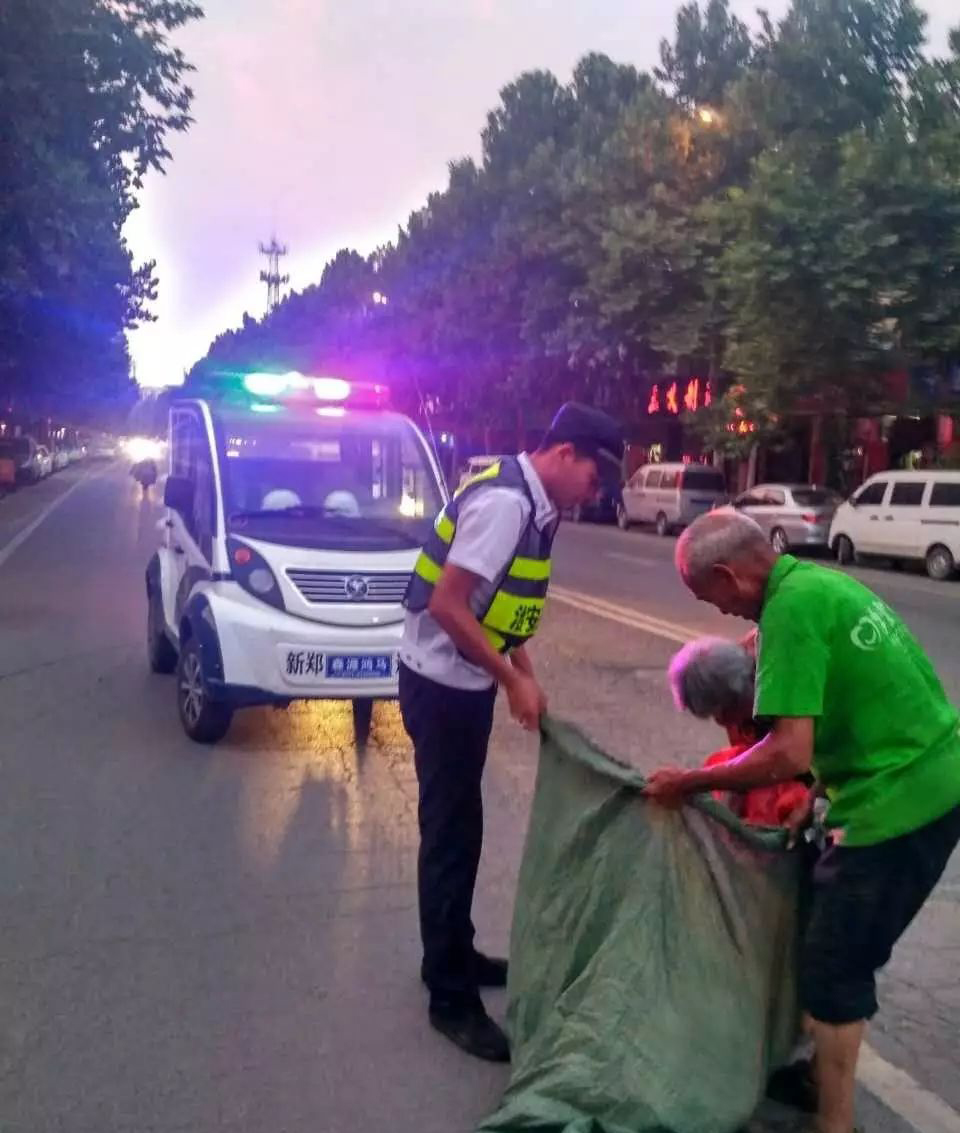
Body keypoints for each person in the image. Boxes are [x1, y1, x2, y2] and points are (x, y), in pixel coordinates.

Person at [644, 509, 960, 1133]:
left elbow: (787, 750)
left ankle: (833, 1123)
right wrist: (818, 795)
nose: (718, 610)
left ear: (728, 575)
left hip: (903, 800)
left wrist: (692, 783)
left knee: (833, 966)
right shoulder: (817, 584)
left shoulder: (788, 613)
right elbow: (853, 712)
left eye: (706, 595)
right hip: (920, 774)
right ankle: (820, 1074)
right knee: (824, 932)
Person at [400, 403, 624, 1062]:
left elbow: (497, 607)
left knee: (460, 828)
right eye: (595, 477)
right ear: (565, 453)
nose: (596, 493)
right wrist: (511, 678)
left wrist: (522, 670)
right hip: (441, 686)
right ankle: (449, 997)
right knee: (451, 833)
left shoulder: (529, 501)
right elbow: (448, 604)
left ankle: (454, 952)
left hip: (460, 683)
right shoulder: (505, 505)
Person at [668, 636, 810, 826]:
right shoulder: (735, 706)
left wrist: (688, 782)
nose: (720, 722)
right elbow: (740, 769)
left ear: (740, 690)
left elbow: (790, 759)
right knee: (721, 763)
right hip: (778, 774)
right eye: (713, 715)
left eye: (724, 711)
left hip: (821, 772)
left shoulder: (786, 684)